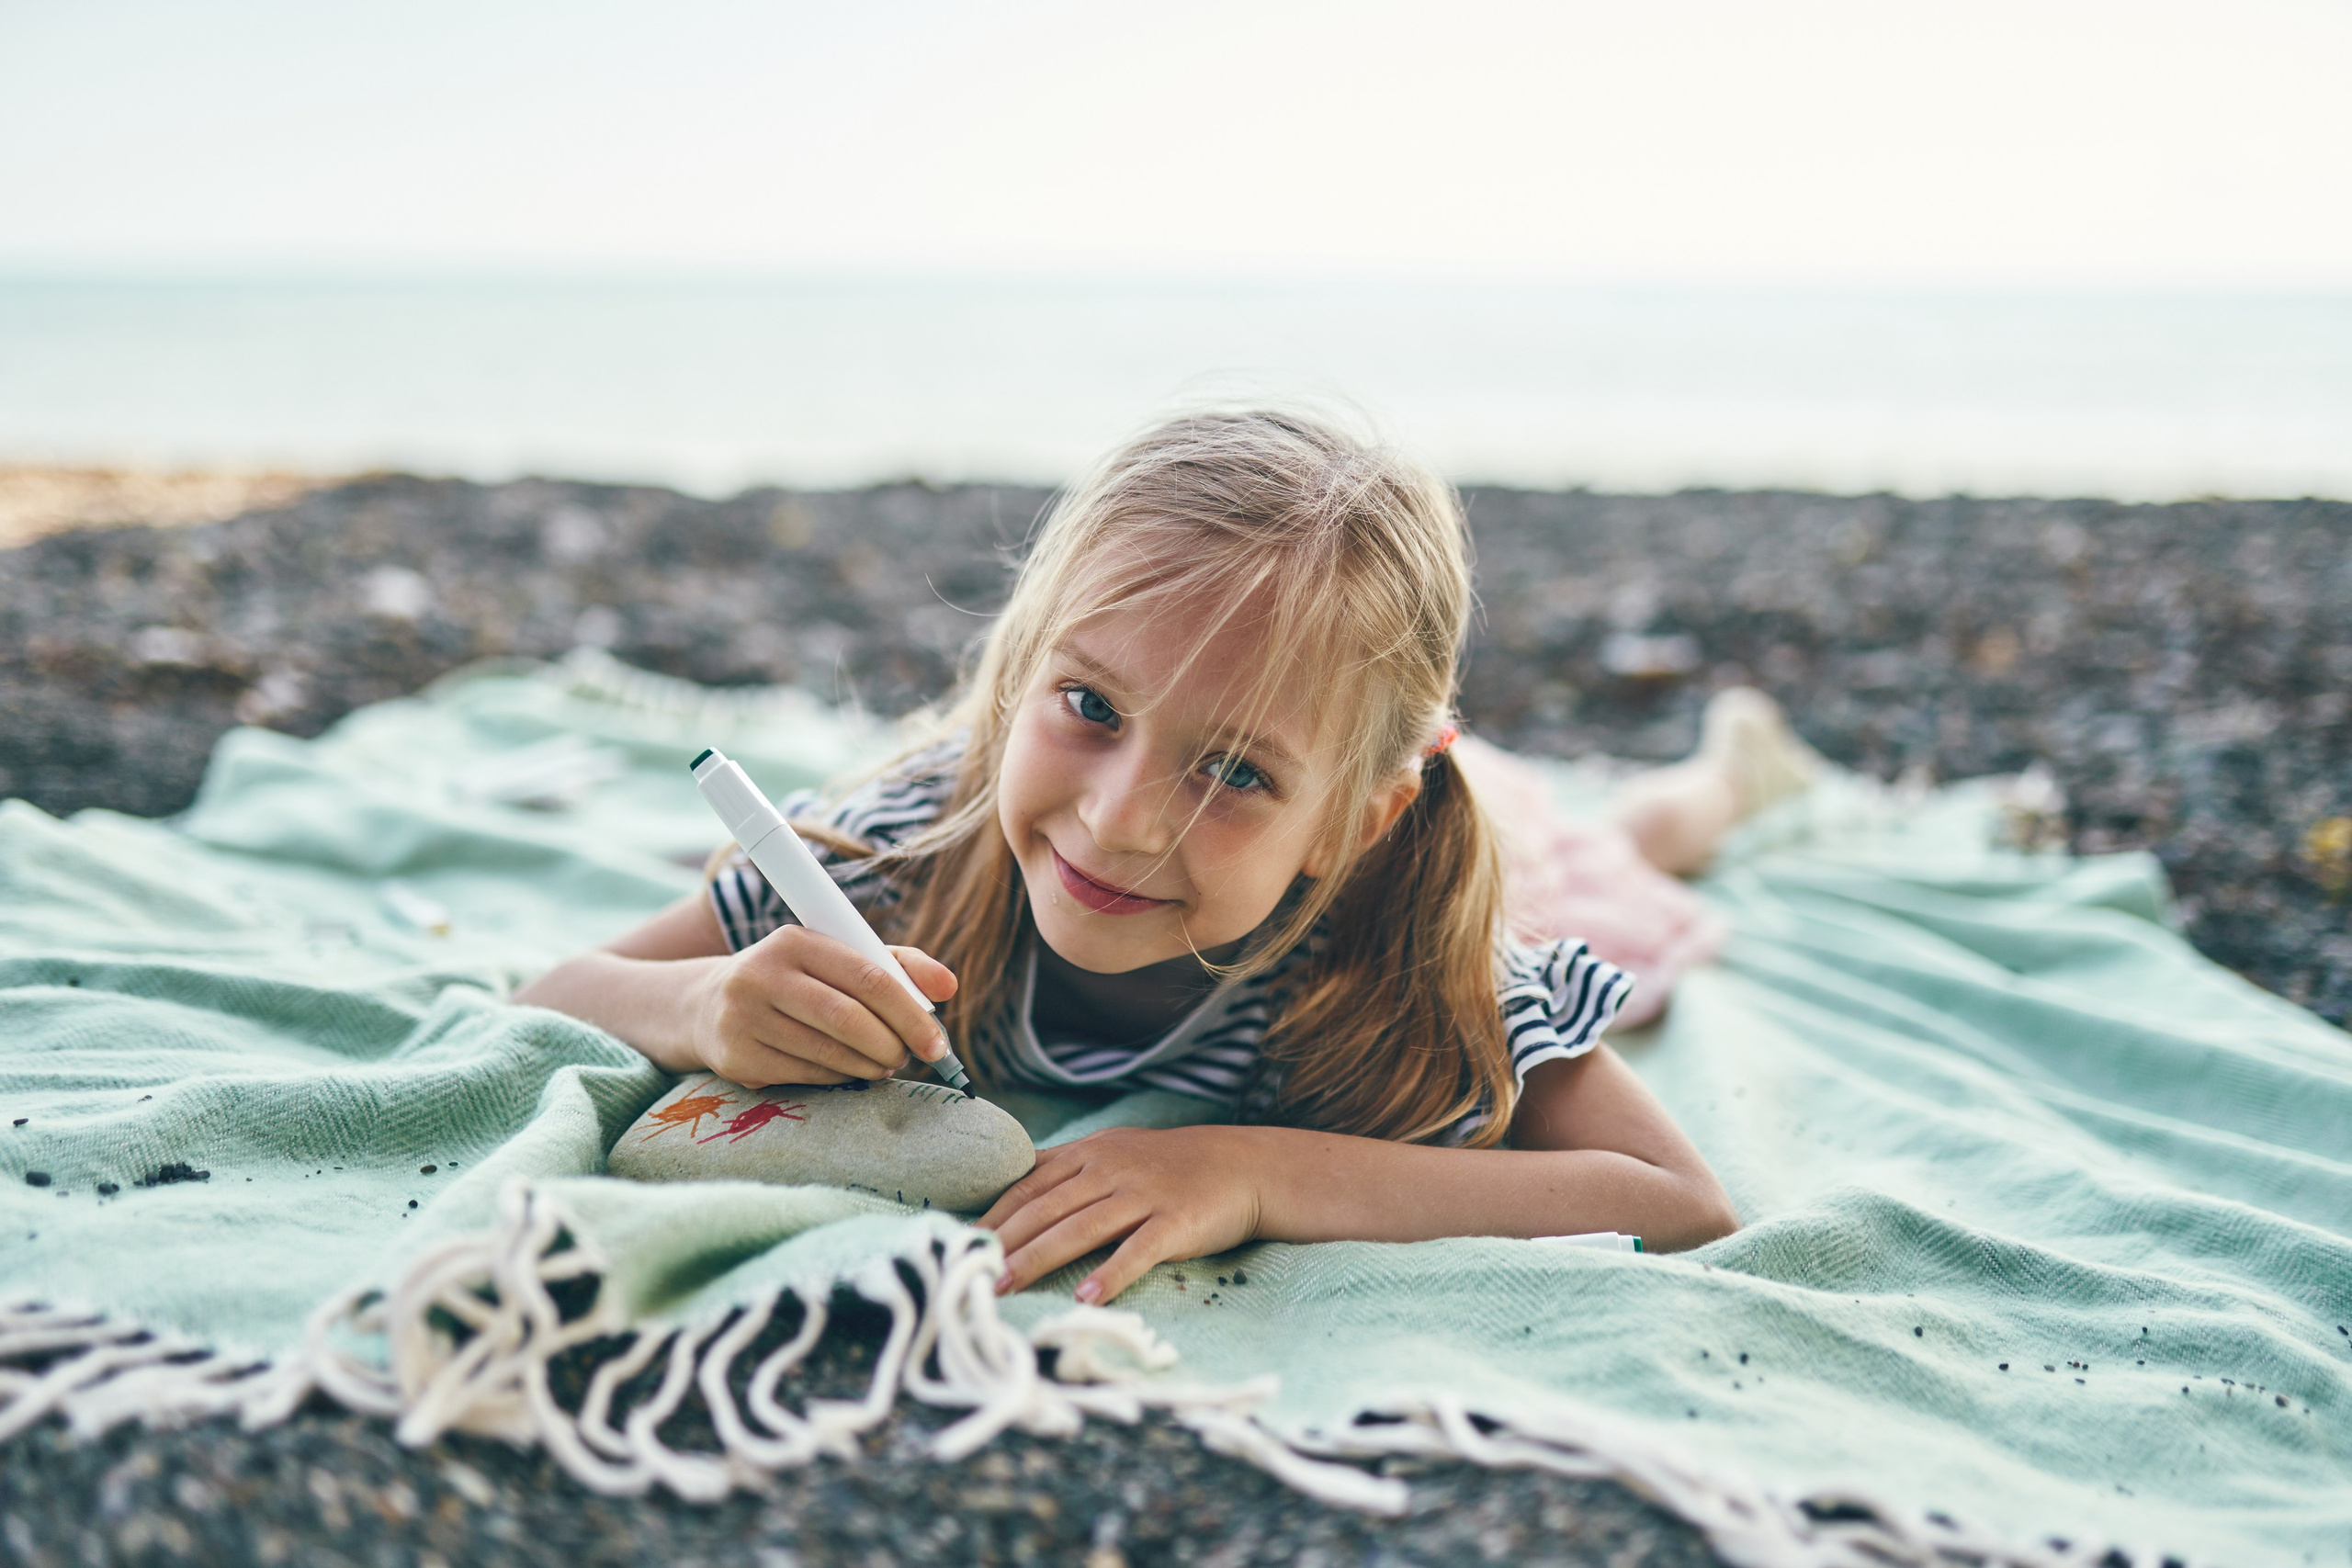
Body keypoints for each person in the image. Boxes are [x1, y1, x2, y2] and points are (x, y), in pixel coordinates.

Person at [519, 408, 1792, 1305]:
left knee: (1622, 848)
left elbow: (1679, 1200)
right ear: (1021, 673)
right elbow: (556, 990)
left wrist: (1251, 1171)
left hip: (1491, 838)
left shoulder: (1415, 958)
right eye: (1090, 706)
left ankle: (1725, 781)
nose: (1123, 820)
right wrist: (703, 1002)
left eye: (1234, 771)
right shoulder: (900, 852)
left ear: (1349, 823)